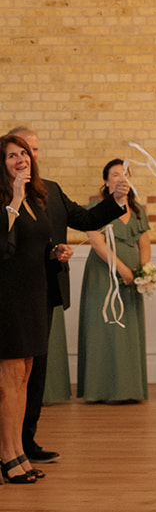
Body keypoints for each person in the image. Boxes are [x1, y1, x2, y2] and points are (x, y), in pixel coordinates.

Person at [5, 124, 124, 463]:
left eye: (33, 151)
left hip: (45, 287)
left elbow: (85, 219)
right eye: (19, 151)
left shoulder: (50, 191)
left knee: (34, 371)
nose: (27, 157)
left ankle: (26, 441)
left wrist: (115, 199)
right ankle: (8, 448)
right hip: (13, 293)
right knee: (12, 376)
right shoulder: (4, 192)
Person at [77, 159, 152, 404]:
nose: (121, 178)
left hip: (133, 276)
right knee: (105, 327)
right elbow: (96, 241)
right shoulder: (95, 206)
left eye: (125, 174)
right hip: (104, 273)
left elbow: (145, 242)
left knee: (128, 331)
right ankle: (101, 390)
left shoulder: (138, 209)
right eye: (115, 174)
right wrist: (120, 269)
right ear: (106, 180)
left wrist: (142, 271)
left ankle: (129, 389)